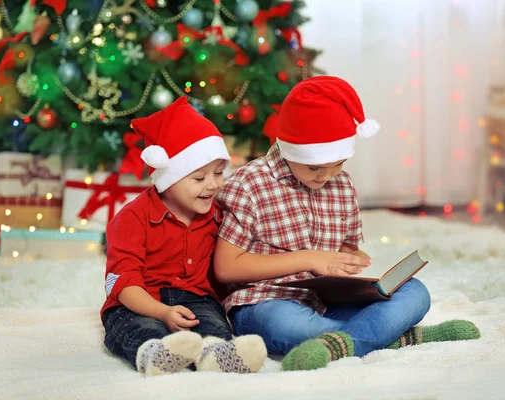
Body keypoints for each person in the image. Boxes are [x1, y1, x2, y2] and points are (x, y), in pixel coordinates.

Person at [214, 76, 480, 372]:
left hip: (327, 302)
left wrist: (358, 264)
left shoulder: (342, 185)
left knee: (416, 293)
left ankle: (342, 341)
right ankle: (393, 338)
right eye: (314, 167)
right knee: (285, 325)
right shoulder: (249, 184)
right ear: (291, 151)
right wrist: (308, 258)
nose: (326, 176)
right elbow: (227, 268)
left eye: (338, 164)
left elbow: (346, 249)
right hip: (266, 302)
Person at [101, 97, 267, 376]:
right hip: (141, 299)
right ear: (168, 178)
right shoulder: (131, 218)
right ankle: (156, 355)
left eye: (218, 173)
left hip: (196, 299)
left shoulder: (218, 215)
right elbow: (124, 282)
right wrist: (162, 313)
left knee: (212, 324)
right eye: (199, 178)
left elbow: (234, 258)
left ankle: (219, 355)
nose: (213, 185)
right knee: (136, 327)